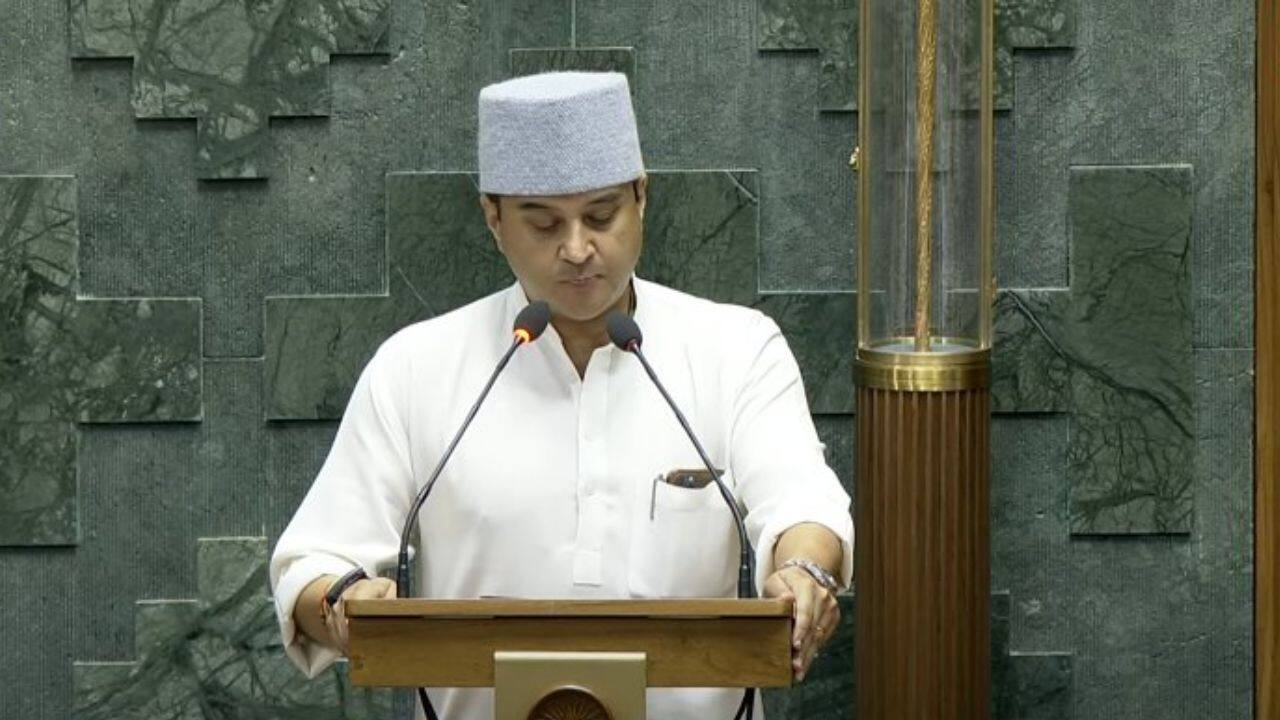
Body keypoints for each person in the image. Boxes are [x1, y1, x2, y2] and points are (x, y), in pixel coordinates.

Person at [269, 71, 854, 719]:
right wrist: (343, 602)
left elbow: (802, 503)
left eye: (601, 215)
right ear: (493, 219)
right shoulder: (418, 366)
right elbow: (313, 561)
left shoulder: (737, 348)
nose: (578, 249)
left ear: (642, 198)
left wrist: (807, 573)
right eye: (544, 224)